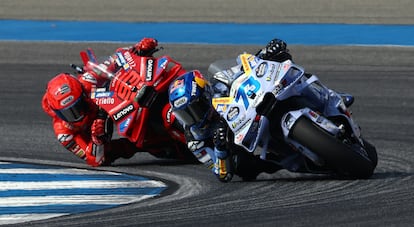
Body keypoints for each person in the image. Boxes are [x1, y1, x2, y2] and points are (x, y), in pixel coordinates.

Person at [42, 37, 187, 167]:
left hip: (124, 103)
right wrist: (97, 139)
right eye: (70, 113)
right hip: (104, 137)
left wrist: (138, 49)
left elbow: (115, 60)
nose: (78, 113)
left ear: (83, 95)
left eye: (79, 106)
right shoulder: (64, 133)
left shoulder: (87, 81)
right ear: (57, 113)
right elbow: (93, 160)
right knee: (138, 144)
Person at [168, 38, 294, 182]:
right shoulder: (194, 140)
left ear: (205, 94)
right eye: (185, 114)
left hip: (255, 109)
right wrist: (220, 147)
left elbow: (246, 66)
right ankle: (283, 161)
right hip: (243, 142)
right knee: (242, 166)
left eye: (195, 108)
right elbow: (222, 174)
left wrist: (265, 53)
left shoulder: (220, 83)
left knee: (282, 64)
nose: (193, 117)